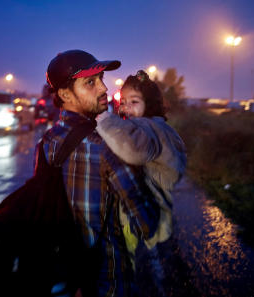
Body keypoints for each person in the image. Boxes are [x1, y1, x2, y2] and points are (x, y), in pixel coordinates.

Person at [36, 50, 162, 297]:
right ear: (64, 94)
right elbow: (149, 223)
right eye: (90, 83)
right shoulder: (109, 147)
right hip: (107, 283)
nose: (103, 88)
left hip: (63, 279)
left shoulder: (46, 142)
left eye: (101, 79)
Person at [96, 70, 187, 264]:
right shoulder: (158, 127)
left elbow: (132, 149)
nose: (127, 108)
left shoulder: (148, 128)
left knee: (126, 262)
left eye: (134, 102)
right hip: (155, 207)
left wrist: (103, 120)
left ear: (151, 105)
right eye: (124, 102)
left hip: (145, 213)